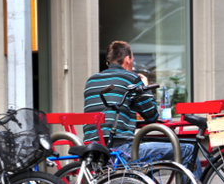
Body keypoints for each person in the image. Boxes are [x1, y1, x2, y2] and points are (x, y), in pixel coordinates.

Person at [82, 41, 197, 175]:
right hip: (120, 151)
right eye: (133, 60)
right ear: (127, 59)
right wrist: (145, 87)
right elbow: (152, 115)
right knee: (188, 150)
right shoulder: (130, 78)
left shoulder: (91, 80)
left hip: (93, 151)